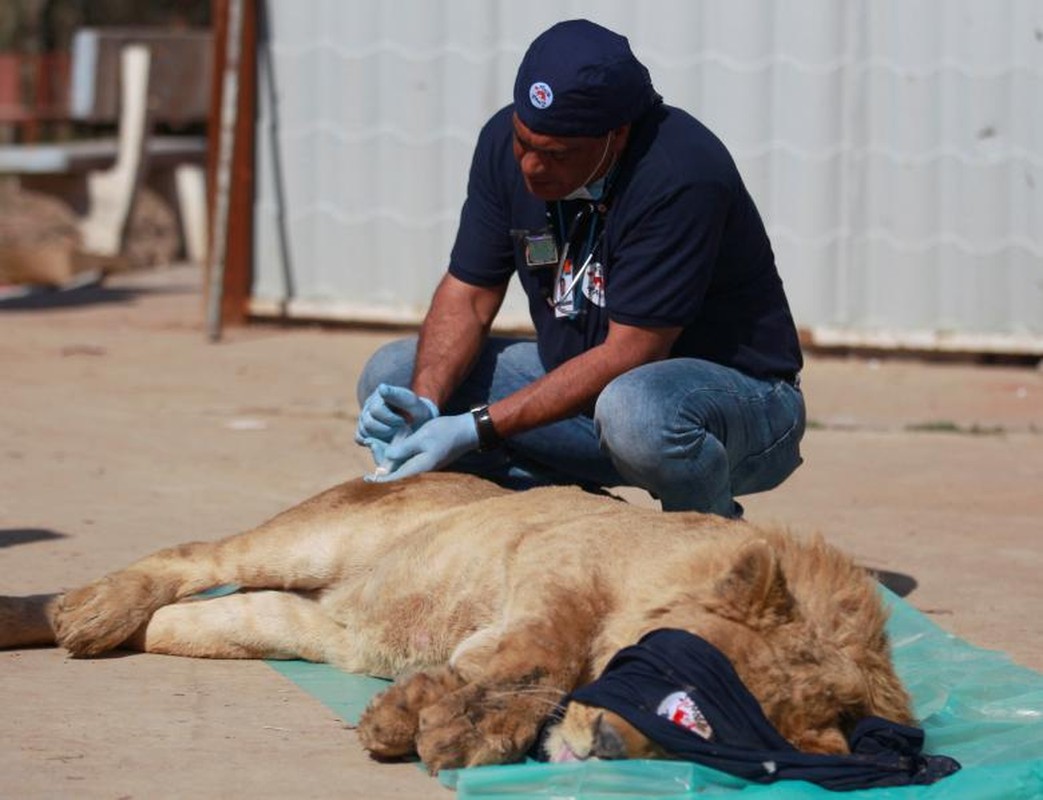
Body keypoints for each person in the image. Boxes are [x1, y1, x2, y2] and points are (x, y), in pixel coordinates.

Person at [354, 19, 805, 518]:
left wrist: (474, 426)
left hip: (731, 410)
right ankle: (571, 518)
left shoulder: (680, 173)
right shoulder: (502, 148)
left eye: (556, 154)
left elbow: (631, 353)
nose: (531, 167)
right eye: (524, 143)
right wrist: (427, 406)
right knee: (392, 375)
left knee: (635, 411)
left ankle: (708, 541)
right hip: (594, 401)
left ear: (617, 135)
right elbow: (468, 294)